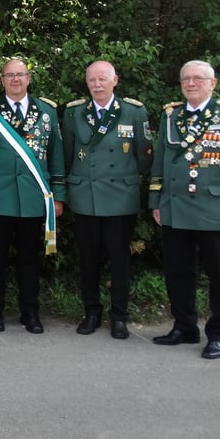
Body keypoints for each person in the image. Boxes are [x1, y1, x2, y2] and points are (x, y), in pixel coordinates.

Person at [149, 60, 220, 359]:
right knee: (177, 272)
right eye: (186, 79)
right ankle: (184, 327)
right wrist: (156, 201)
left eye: (198, 78)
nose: (191, 83)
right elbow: (160, 160)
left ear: (213, 83)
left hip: (215, 209)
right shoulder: (172, 115)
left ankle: (219, 333)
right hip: (175, 209)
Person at [0, 58, 65, 333]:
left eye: (20, 75)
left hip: (34, 198)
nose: (15, 80)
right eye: (9, 75)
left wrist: (58, 195)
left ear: (29, 78)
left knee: (30, 260)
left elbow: (56, 157)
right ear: (1, 80)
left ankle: (30, 313)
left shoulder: (46, 112)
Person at [62, 61, 153, 339]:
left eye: (102, 79)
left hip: (120, 198)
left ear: (115, 80)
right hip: (85, 196)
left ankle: (119, 316)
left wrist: (129, 181)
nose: (97, 85)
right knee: (88, 259)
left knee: (119, 259)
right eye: (92, 80)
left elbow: (145, 156)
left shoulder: (134, 112)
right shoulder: (75, 112)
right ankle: (91, 312)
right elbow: (66, 154)